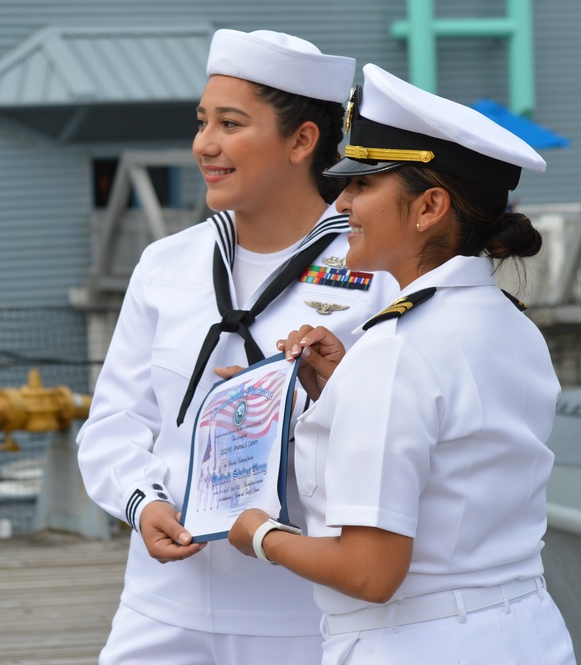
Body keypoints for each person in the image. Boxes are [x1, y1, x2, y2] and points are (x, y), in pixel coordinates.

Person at [228, 63, 577, 665]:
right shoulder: (509, 324)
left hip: (419, 643)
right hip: (526, 631)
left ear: (430, 206)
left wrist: (256, 532)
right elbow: (462, 460)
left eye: (364, 184)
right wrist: (344, 394)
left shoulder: (396, 350)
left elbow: (370, 573)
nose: (341, 201)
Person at [77, 31, 398, 664]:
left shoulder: (374, 272)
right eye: (202, 123)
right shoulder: (167, 263)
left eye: (230, 123)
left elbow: (395, 439)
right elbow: (114, 421)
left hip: (304, 612)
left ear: (302, 141)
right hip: (163, 601)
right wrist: (143, 503)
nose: (205, 145)